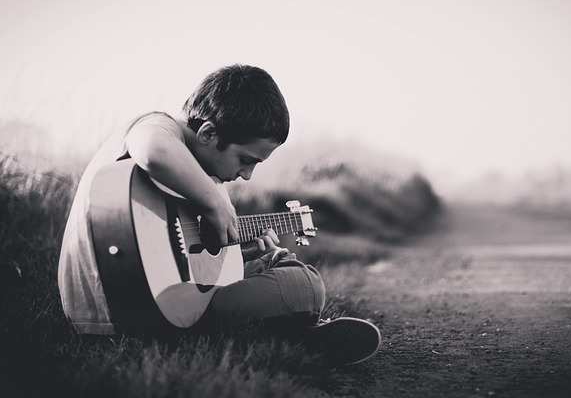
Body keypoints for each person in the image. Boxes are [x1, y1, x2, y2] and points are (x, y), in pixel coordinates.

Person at [58, 64, 380, 366]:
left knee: (267, 261)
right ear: (208, 133)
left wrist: (237, 253)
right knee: (306, 283)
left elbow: (174, 255)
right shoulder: (158, 126)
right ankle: (291, 329)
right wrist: (216, 202)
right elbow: (153, 150)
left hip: (140, 305)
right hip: (126, 311)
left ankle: (284, 331)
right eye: (245, 159)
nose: (247, 175)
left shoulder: (192, 169)